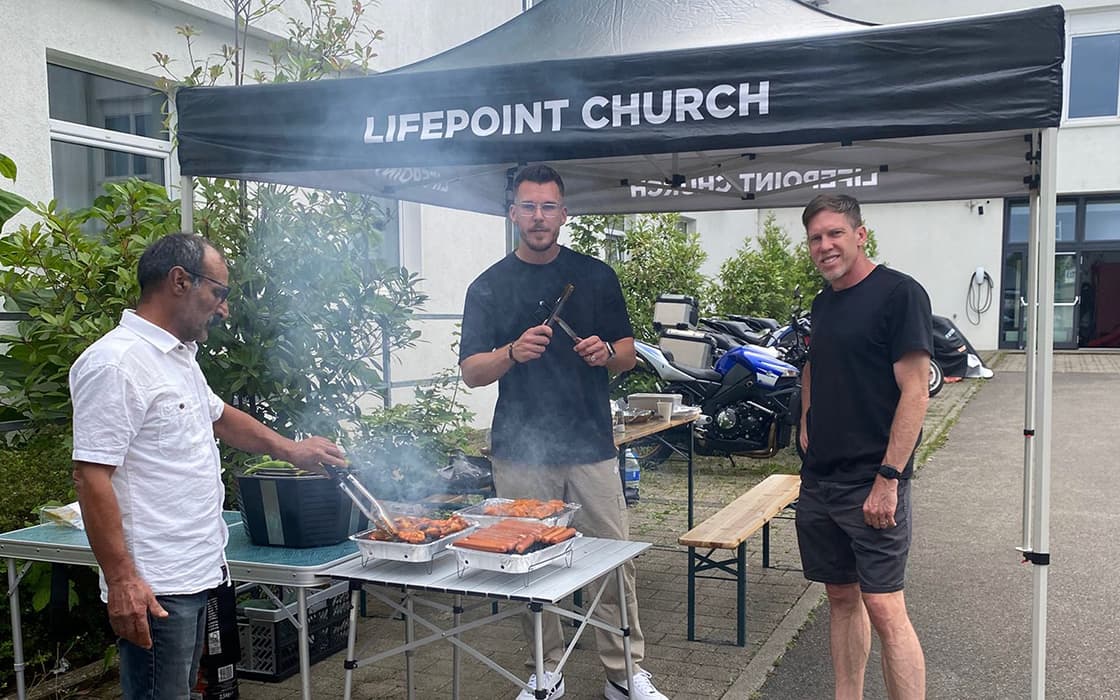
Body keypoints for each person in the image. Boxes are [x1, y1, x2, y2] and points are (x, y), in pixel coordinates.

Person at [70, 233, 346, 699]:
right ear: (180, 281)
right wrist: (122, 581)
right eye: (219, 293)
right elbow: (90, 475)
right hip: (157, 583)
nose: (224, 309)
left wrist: (292, 450)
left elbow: (219, 416)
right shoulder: (115, 364)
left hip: (199, 569)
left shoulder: (177, 358)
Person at [459, 164, 668, 700]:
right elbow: (472, 372)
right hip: (520, 451)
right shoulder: (488, 286)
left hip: (590, 444)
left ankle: (624, 673)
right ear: (513, 213)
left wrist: (606, 352)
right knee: (527, 562)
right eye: (528, 206)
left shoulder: (595, 276)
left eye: (548, 206)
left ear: (564, 213)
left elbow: (628, 354)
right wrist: (511, 352)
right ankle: (545, 670)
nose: (539, 216)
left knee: (612, 561)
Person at [797, 194, 931, 700]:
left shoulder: (899, 294)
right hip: (822, 480)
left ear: (860, 234)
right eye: (815, 237)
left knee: (885, 607)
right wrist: (807, 416)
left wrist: (889, 478)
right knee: (840, 597)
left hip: (873, 481)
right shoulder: (823, 303)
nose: (825, 245)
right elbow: (815, 364)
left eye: (835, 233)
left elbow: (915, 392)